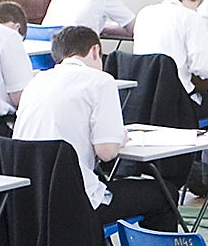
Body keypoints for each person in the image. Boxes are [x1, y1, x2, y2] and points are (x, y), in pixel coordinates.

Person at [11, 25, 179, 233]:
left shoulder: (35, 82)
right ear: (95, 51)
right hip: (74, 199)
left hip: (31, 198)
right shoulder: (100, 81)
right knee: (165, 193)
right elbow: (107, 153)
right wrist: (118, 138)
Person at [132, 0, 208, 96]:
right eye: (196, 6)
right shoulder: (190, 16)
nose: (196, 10)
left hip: (143, 95)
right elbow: (203, 68)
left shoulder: (144, 13)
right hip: (176, 99)